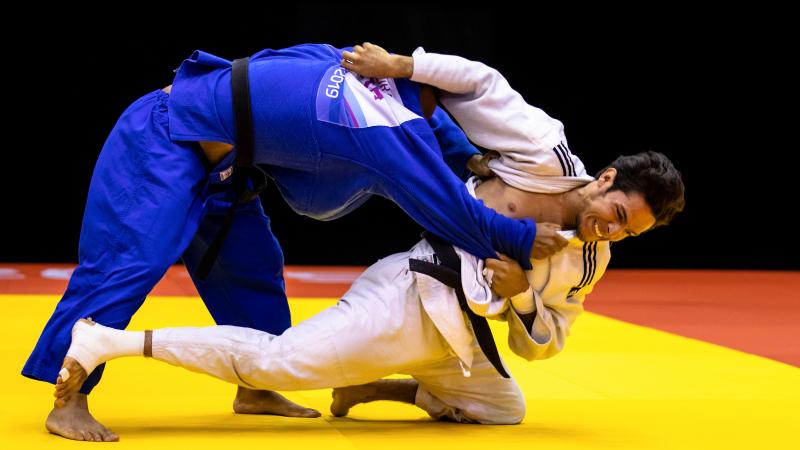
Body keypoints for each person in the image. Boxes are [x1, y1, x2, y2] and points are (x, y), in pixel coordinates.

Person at [54, 45, 685, 432]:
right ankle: (77, 379)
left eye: (632, 231)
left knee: (249, 266)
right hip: (168, 133)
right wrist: (516, 242)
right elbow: (452, 154)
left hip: (229, 166)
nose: (614, 232)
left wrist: (470, 164)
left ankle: (256, 389)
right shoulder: (384, 118)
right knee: (127, 263)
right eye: (620, 213)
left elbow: (441, 122)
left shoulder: (387, 98)